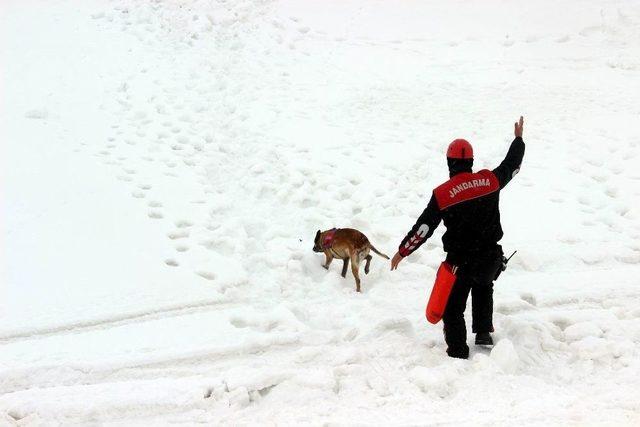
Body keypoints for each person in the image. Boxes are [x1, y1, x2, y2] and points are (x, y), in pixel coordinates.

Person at [390, 117, 526, 359]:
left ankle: (457, 352)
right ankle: (483, 335)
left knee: (453, 309)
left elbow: (424, 228)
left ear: (449, 162)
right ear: (471, 162)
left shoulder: (442, 194)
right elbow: (512, 165)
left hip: (460, 263)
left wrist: (403, 251)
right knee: (484, 286)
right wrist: (518, 140)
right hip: (490, 258)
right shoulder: (490, 181)